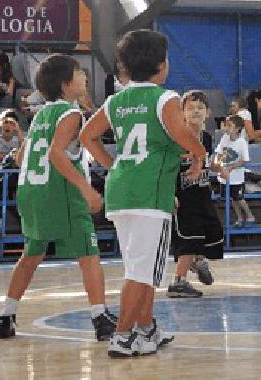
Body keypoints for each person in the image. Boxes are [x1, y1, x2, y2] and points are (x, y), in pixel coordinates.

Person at [80, 29, 207, 358]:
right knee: (140, 271)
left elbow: (87, 136)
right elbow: (181, 134)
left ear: (123, 67)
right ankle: (122, 336)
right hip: (147, 193)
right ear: (162, 65)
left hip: (123, 189)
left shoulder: (115, 100)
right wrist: (200, 153)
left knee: (143, 266)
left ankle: (146, 328)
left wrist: (114, 165)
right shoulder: (165, 98)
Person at [0, 54, 118, 342]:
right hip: (61, 192)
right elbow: (56, 154)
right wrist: (86, 188)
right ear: (66, 84)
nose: (85, 77)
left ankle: (5, 316)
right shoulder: (70, 114)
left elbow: (21, 157)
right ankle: (101, 317)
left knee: (31, 255)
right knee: (89, 253)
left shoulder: (39, 117)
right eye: (80, 73)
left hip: (31, 192)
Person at [168, 90, 225, 298]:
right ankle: (178, 281)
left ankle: (199, 260)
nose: (196, 111)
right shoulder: (176, 138)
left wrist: (218, 168)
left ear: (208, 112)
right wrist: (169, 194)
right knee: (189, 236)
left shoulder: (207, 138)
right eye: (191, 107)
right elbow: (168, 168)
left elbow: (208, 164)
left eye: (200, 107)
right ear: (182, 113)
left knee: (212, 230)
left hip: (202, 192)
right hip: (182, 196)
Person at [215, 115, 255, 227]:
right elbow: (219, 153)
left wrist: (232, 166)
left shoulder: (242, 142)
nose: (226, 128)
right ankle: (240, 218)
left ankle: (250, 216)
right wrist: (219, 165)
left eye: (229, 125)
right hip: (226, 176)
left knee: (239, 198)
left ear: (237, 128)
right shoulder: (224, 138)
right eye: (226, 125)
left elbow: (245, 160)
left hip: (237, 178)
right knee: (232, 199)